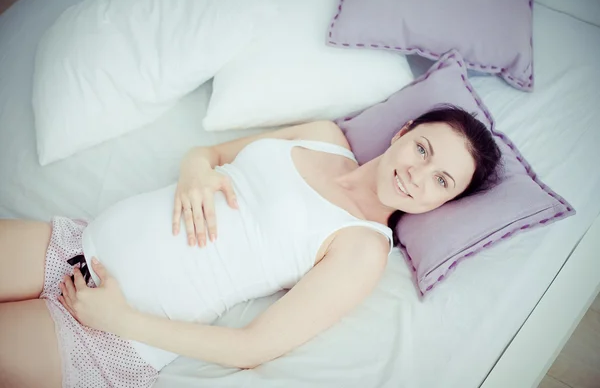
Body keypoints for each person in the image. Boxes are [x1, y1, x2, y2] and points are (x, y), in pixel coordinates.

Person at [0, 105, 501, 388]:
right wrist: (196, 169)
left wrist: (117, 319)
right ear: (403, 132)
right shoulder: (323, 135)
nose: (416, 174)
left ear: (443, 203)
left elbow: (253, 346)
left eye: (441, 181)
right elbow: (211, 153)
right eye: (422, 148)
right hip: (77, 244)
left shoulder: (363, 249)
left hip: (108, 333)